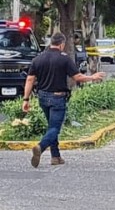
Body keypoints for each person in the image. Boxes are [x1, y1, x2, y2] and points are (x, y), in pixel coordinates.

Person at [21, 32, 106, 168]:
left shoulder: (38, 59)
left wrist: (25, 99)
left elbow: (30, 79)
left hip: (42, 97)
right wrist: (93, 77)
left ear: (51, 43)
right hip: (58, 97)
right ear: (61, 44)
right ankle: (40, 147)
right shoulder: (64, 59)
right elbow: (77, 77)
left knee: (51, 127)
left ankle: (56, 156)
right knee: (55, 128)